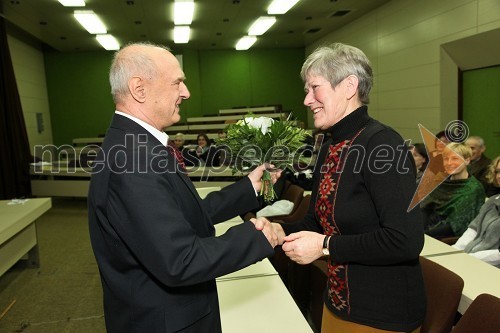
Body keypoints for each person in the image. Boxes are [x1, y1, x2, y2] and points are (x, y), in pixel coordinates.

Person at [87, 42, 280, 333]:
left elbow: (182, 214)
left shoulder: (137, 146)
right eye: (177, 82)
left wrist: (248, 187)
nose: (186, 92)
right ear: (140, 89)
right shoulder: (132, 160)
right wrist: (257, 237)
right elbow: (180, 260)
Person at [260, 43, 426, 332]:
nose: (307, 100)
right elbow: (317, 219)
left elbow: (405, 240)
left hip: (382, 314)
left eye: (314, 88)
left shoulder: (382, 144)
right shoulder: (330, 143)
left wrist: (325, 246)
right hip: (336, 303)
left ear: (349, 86)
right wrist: (280, 231)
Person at [421, 143, 485, 239]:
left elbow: (456, 225)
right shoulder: (440, 182)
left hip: (446, 237)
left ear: (467, 160)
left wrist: (424, 235)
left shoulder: (473, 189)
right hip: (424, 230)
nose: (449, 163)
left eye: (455, 159)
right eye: (446, 159)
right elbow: (425, 208)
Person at [452, 194, 500, 267]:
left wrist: (470, 257)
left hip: (492, 267)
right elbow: (474, 228)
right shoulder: (493, 200)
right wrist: (456, 249)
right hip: (468, 257)